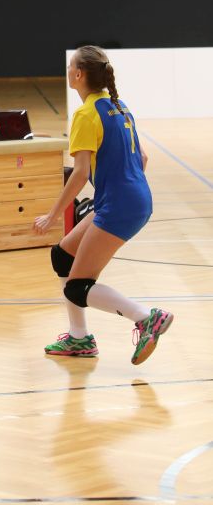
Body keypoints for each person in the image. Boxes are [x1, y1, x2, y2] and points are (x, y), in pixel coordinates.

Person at [34, 45, 173, 366]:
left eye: (70, 67)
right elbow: (143, 158)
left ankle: (146, 318)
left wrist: (52, 215)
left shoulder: (85, 114)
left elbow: (80, 173)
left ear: (79, 75)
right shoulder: (119, 105)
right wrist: (121, 189)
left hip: (121, 205)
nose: (68, 71)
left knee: (77, 287)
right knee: (62, 256)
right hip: (130, 198)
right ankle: (79, 338)